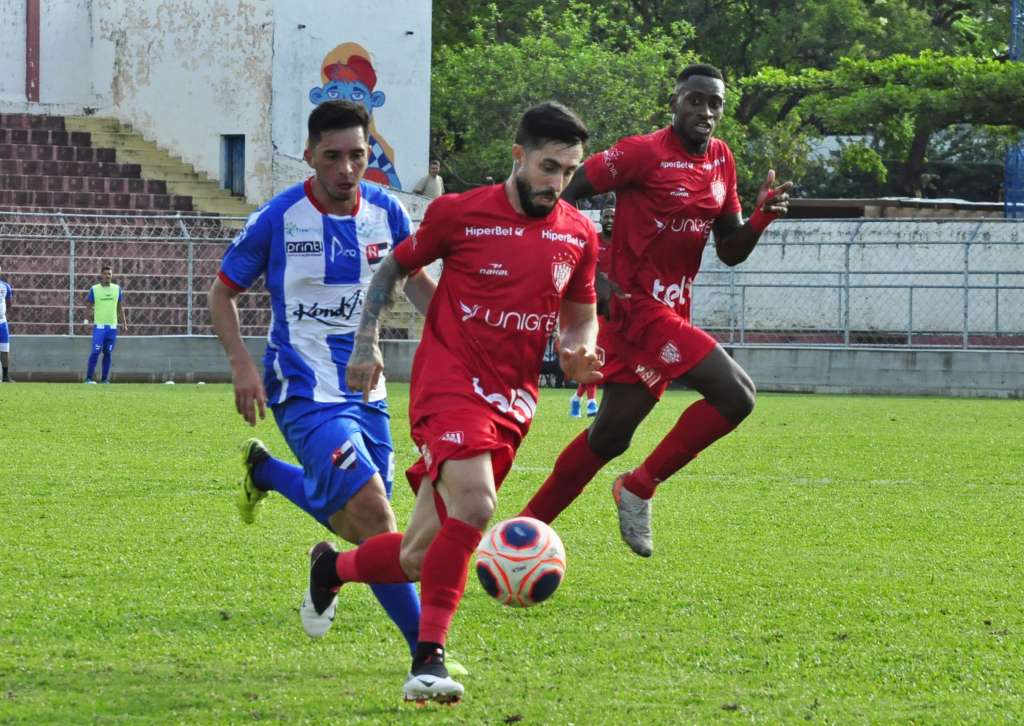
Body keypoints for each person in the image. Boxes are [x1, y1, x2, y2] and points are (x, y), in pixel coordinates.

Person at [316, 101, 602, 704]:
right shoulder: (460, 214)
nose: (557, 182)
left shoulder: (578, 234)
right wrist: (366, 343)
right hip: (448, 386)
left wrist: (580, 352)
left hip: (513, 403)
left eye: (569, 171)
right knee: (476, 505)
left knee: (421, 555)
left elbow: (580, 318)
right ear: (519, 157)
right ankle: (427, 662)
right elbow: (394, 267)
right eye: (548, 166)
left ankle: (332, 570)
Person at [520, 64, 792, 558]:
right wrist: (590, 269)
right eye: (695, 100)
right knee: (737, 395)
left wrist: (761, 218)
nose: (705, 111)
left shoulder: (721, 160)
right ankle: (640, 487)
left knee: (609, 435)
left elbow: (729, 250)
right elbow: (568, 189)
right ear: (675, 101)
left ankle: (521, 531)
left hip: (671, 311)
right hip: (635, 309)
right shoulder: (641, 153)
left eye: (715, 103)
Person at [207, 100, 439, 664]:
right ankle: (427, 655)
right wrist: (241, 364)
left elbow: (415, 285)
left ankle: (268, 476)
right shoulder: (278, 217)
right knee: (377, 517)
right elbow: (221, 294)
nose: (345, 168)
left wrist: (469, 341)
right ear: (309, 156)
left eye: (357, 155)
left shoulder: (389, 213)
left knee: (357, 522)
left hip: (368, 390)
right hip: (302, 387)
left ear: (370, 156)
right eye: (332, 156)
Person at [569, 204, 614, 417]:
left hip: (613, 308)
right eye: (606, 215)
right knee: (592, 354)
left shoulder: (622, 243)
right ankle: (592, 403)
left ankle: (577, 398)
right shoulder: (592, 240)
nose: (610, 219)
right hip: (590, 306)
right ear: (600, 218)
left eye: (614, 216)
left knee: (600, 357)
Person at [84, 264, 128, 384]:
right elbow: (88, 305)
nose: (107, 276)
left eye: (109, 274)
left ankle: (104, 380)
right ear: (101, 275)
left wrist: (124, 323)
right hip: (99, 328)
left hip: (112, 328)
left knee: (108, 352)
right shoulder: (94, 289)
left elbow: (120, 306)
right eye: (105, 273)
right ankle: (88, 378)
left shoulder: (116, 289)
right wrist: (86, 321)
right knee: (95, 351)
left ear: (112, 275)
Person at [0, 262, 12, 382]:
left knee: (4, 349)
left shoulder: (5, 286)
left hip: (2, 322)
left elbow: (9, 303)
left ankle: (5, 376)